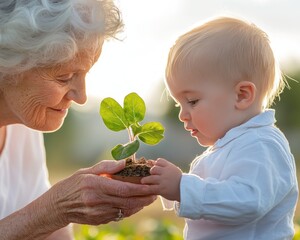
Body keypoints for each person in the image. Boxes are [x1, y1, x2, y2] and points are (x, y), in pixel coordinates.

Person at [0, 1, 157, 239]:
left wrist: (69, 207)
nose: (81, 97)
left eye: (85, 73)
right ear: (8, 63)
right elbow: (42, 218)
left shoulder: (24, 129)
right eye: (65, 77)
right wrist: (54, 208)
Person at [142, 16, 299, 239]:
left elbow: (248, 201)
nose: (182, 114)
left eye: (192, 101)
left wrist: (181, 187)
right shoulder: (231, 145)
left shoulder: (262, 144)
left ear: (242, 95)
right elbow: (213, 201)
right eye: (179, 104)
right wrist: (169, 186)